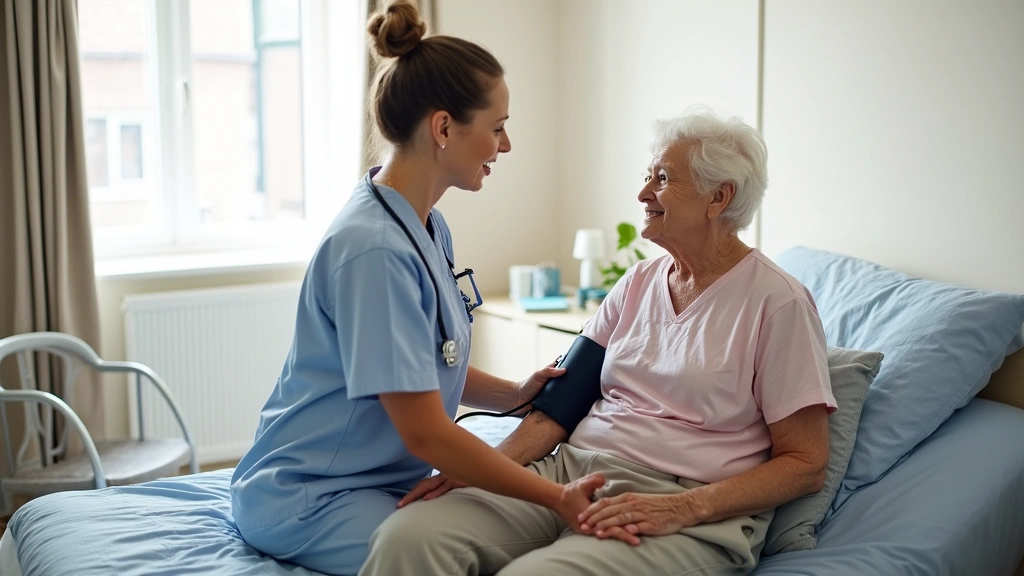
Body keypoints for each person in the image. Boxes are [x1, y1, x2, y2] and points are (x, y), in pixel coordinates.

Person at [360, 108, 838, 576]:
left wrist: (686, 506)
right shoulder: (636, 283)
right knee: (409, 538)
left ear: (719, 198)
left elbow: (805, 463)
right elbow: (560, 405)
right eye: (648, 175)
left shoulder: (778, 303)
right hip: (571, 472)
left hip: (682, 502)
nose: (643, 192)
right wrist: (486, 465)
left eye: (663, 179)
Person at [229, 2, 606, 574]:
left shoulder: (422, 221)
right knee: (468, 551)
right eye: (498, 128)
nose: (506, 147)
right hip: (309, 497)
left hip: (369, 481)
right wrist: (557, 497)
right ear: (444, 127)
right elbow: (428, 433)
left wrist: (513, 395)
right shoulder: (375, 250)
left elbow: (426, 359)